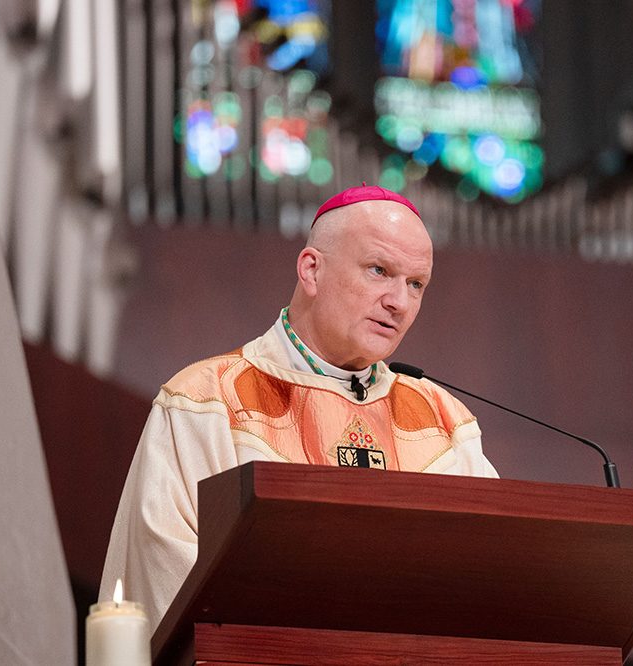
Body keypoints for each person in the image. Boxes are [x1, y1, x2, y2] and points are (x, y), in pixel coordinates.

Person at [99, 185, 498, 632]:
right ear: (311, 270)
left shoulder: (444, 422)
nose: (399, 302)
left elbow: (490, 582)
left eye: (415, 284)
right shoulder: (206, 403)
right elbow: (166, 579)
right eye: (379, 270)